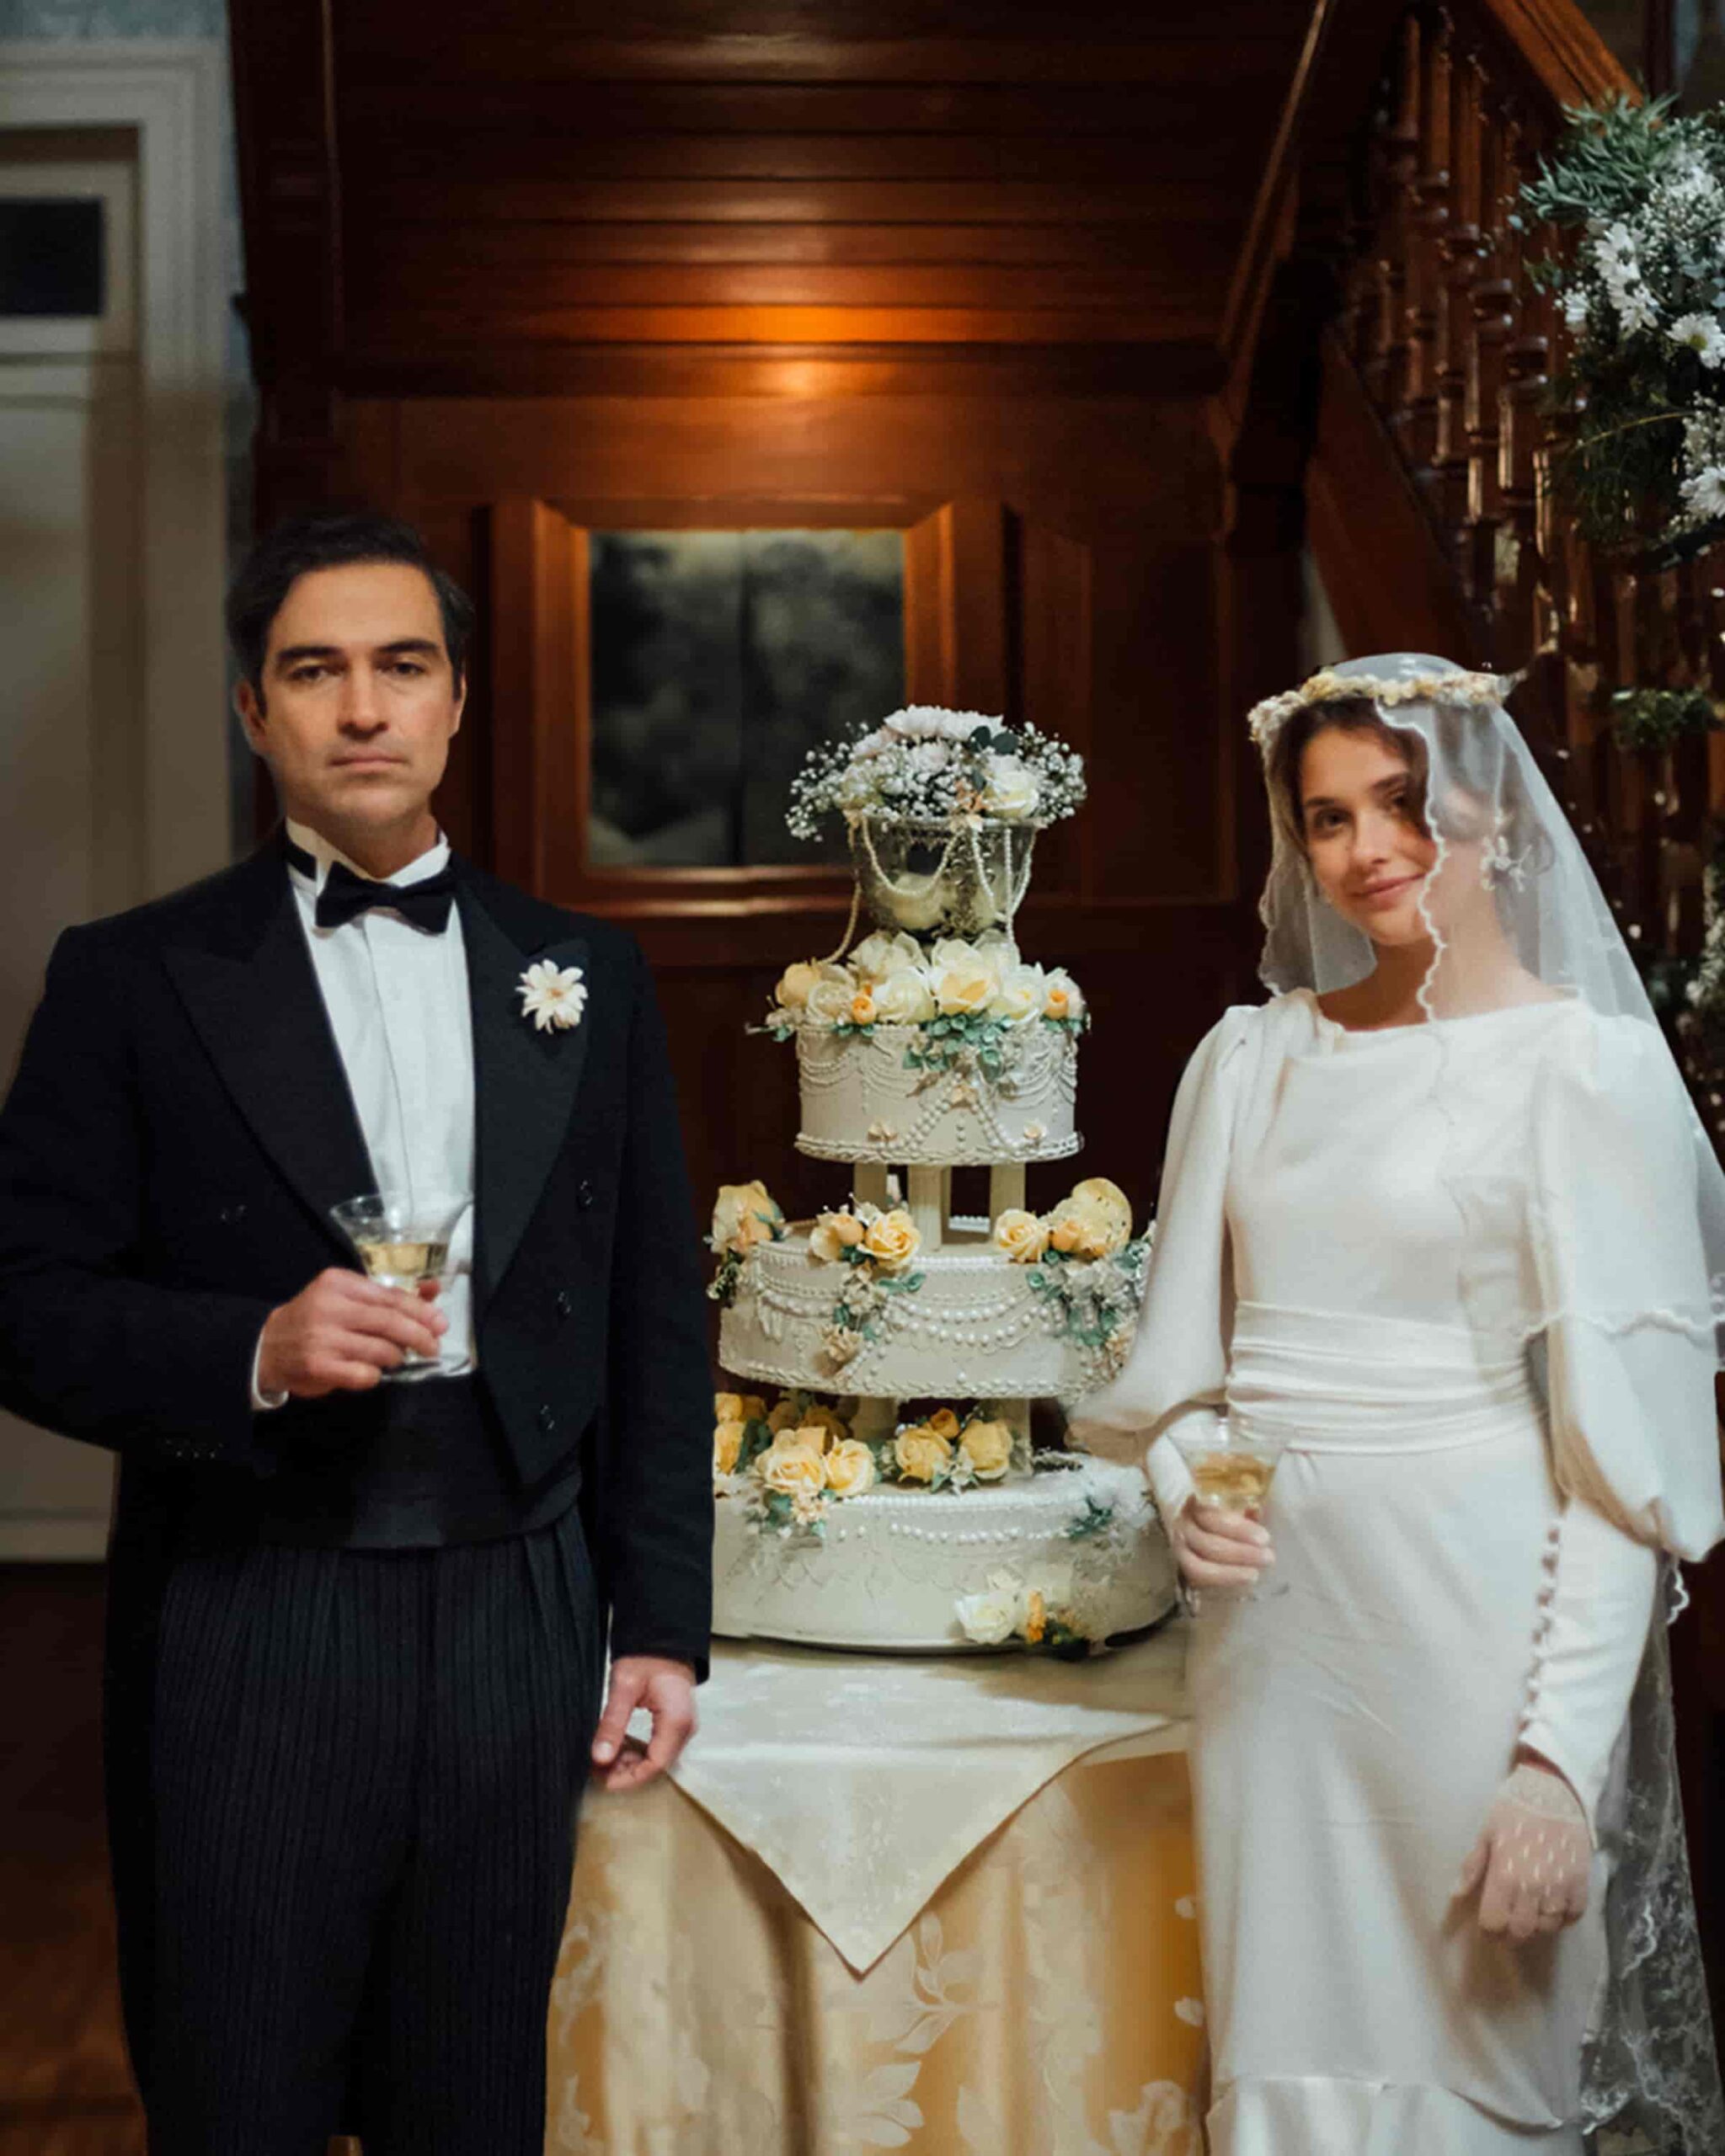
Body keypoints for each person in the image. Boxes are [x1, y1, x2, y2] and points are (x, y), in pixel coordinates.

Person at [0, 511, 713, 2155]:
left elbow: (651, 1328)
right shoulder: (133, 977)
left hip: (522, 1592)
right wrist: (248, 1347)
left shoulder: (586, 974)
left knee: (473, 2099)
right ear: (254, 710)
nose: (365, 707)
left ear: (458, 698)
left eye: (403, 666)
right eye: (315, 671)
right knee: (239, 2091)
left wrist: (661, 1624)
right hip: (255, 1587)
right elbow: (22, 1300)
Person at [1074, 653, 1725, 2154]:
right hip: (1274, 1655)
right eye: (1328, 818)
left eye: (1404, 803)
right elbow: (1183, 1386)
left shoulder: (1585, 1069)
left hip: (1476, 1637)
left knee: (1483, 2085)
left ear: (1492, 812)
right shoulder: (1251, 1059)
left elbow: (1620, 1474)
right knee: (1284, 2074)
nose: (1369, 849)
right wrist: (1187, 1485)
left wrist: (1557, 1768)